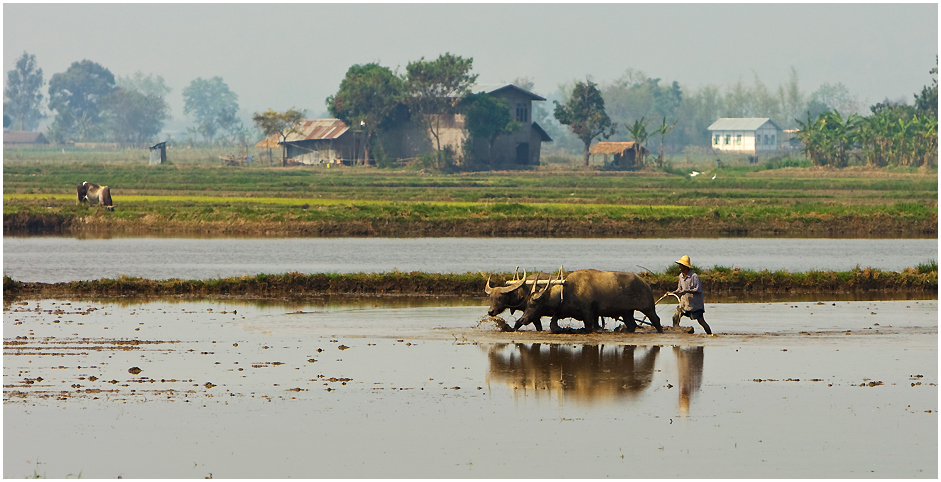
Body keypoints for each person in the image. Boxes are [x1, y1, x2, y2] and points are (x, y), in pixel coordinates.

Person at [670, 255, 712, 335]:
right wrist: (674, 292)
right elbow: (679, 288)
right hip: (684, 304)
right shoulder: (681, 276)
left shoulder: (694, 276)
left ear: (685, 266)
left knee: (701, 321)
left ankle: (710, 335)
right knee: (676, 316)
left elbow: (697, 289)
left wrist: (685, 291)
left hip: (695, 304)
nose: (679, 266)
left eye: (681, 265)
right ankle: (675, 333)